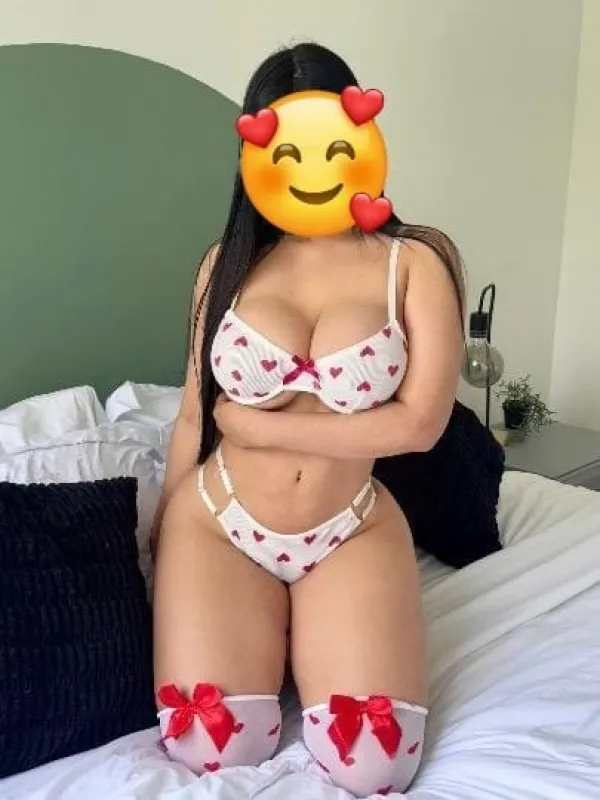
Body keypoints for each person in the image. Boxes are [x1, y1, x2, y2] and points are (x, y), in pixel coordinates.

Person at [152, 42, 464, 798]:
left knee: (376, 764)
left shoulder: (415, 262)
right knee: (210, 748)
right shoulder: (226, 263)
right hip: (218, 523)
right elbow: (195, 413)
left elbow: (419, 425)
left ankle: (306, 636)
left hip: (347, 528)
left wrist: (264, 427)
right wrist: (158, 540)